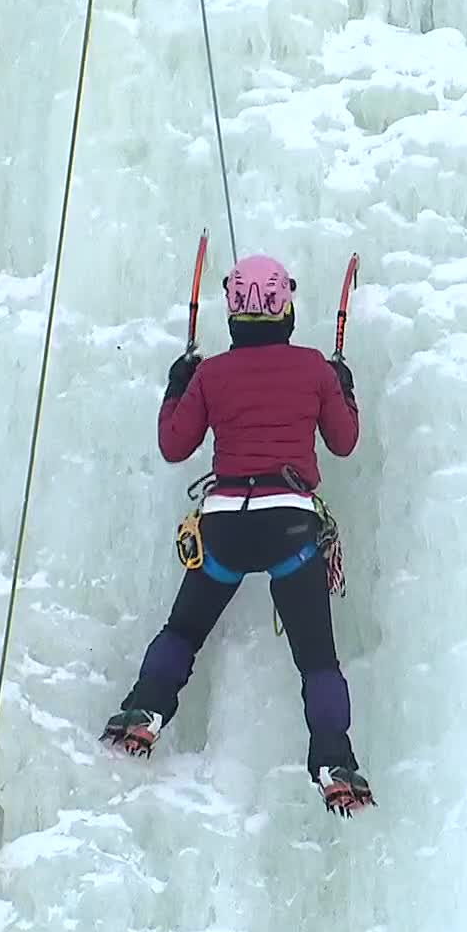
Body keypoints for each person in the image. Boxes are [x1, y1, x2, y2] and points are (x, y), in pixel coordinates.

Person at [99, 253, 375, 815]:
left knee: (183, 630)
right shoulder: (315, 368)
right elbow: (343, 441)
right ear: (287, 309)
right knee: (317, 660)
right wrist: (344, 388)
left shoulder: (211, 374)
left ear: (232, 315)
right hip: (291, 527)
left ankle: (144, 711)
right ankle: (333, 759)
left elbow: (175, 445)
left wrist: (177, 386)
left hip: (224, 526)